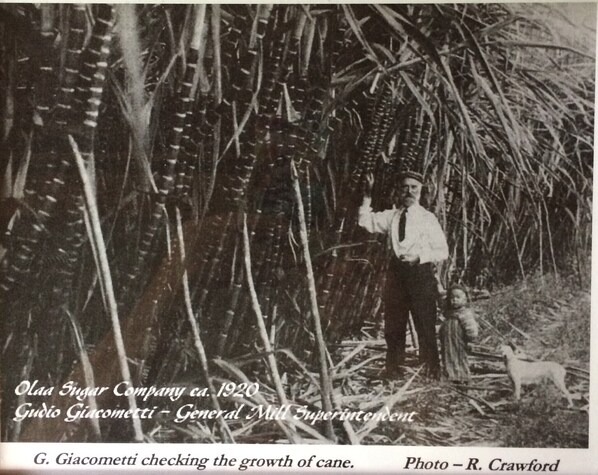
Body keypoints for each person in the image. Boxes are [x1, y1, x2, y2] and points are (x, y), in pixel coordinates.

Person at [358, 171, 448, 378]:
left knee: (425, 323)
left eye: (414, 187)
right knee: (394, 324)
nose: (409, 192)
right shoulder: (392, 216)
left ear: (421, 190)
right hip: (397, 275)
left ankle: (431, 370)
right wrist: (367, 195)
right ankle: (394, 370)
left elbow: (443, 251)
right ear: (399, 191)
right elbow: (366, 222)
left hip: (421, 275)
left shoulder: (428, 218)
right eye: (405, 187)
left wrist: (420, 257)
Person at [440, 285, 479, 383]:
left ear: (465, 299)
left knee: (460, 359)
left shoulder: (465, 314)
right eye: (452, 298)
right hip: (448, 343)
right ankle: (451, 377)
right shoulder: (448, 314)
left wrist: (471, 339)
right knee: (448, 358)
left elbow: (471, 328)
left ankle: (463, 379)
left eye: (458, 297)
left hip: (459, 343)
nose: (455, 300)